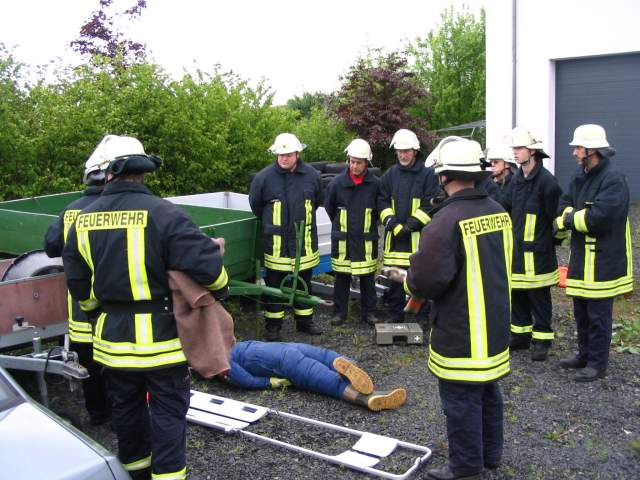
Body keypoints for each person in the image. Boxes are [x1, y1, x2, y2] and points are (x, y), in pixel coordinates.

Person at [63, 135, 229, 480]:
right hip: (163, 342)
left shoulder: (83, 219)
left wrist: (96, 310)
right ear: (142, 171)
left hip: (112, 343)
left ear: (107, 172)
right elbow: (210, 270)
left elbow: (78, 284)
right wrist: (219, 290)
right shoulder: (166, 214)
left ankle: (136, 472)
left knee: (126, 411)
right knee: (168, 413)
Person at [402, 138, 512, 480]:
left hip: (461, 332)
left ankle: (466, 467)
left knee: (461, 400)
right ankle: (489, 455)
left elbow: (426, 281)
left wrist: (406, 281)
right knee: (488, 392)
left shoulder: (445, 222)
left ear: (444, 176)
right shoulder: (498, 212)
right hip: (495, 327)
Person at [555, 124, 633, 382]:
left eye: (578, 148)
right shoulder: (581, 175)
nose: (574, 153)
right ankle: (584, 355)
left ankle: (597, 364)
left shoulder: (613, 179)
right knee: (581, 312)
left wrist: (568, 220)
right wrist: (571, 215)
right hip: (582, 258)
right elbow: (564, 203)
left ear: (592, 150)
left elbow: (598, 219)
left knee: (599, 315)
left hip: (603, 261)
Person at [43, 147, 111, 426]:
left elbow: (50, 246)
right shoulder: (118, 209)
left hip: (81, 310)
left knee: (89, 367)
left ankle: (97, 415)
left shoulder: (70, 211)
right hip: (113, 310)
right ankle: (120, 416)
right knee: (117, 368)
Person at [249, 133, 323, 341]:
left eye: (288, 155)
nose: (283, 158)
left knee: (304, 284)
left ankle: (305, 321)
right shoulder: (263, 178)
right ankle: (273, 326)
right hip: (277, 246)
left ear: (297, 154)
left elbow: (317, 201)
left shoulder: (312, 176)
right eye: (280, 155)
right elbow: (256, 206)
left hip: (303, 244)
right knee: (274, 287)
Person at [502, 128, 562, 361]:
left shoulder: (547, 182)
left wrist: (549, 243)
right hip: (517, 252)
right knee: (517, 295)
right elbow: (505, 206)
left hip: (538, 255)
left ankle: (542, 340)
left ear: (533, 151)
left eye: (519, 148)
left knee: (539, 298)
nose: (515, 153)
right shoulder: (516, 180)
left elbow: (555, 219)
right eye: (514, 149)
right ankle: (520, 336)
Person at [224, 340, 406, 411]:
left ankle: (366, 399)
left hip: (281, 360)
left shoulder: (217, 359)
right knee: (325, 356)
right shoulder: (228, 342)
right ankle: (352, 367)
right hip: (283, 346)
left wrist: (269, 382)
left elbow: (243, 379)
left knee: (328, 382)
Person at [378, 129, 440, 323]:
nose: (403, 155)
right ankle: (396, 314)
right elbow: (381, 201)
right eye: (400, 151)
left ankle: (422, 316)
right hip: (395, 239)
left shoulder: (428, 175)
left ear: (415, 151)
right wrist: (393, 224)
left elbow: (431, 203)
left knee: (421, 278)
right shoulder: (390, 175)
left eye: (407, 151)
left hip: (418, 239)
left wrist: (410, 225)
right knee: (394, 279)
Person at [325, 139, 381, 326]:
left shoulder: (375, 184)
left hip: (365, 240)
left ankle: (369, 313)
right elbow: (330, 208)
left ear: (367, 163)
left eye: (359, 162)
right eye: (352, 161)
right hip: (343, 241)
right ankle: (339, 313)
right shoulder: (336, 183)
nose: (355, 166)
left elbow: (378, 212)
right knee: (341, 278)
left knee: (367, 278)